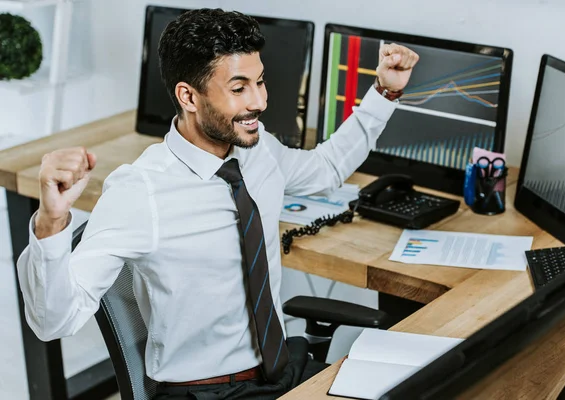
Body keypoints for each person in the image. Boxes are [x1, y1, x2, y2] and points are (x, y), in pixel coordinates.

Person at [16, 8, 419, 400]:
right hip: (205, 391)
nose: (259, 101)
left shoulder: (257, 150)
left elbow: (326, 168)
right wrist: (52, 222)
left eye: (260, 82)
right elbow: (55, 322)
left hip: (277, 371)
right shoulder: (141, 191)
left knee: (421, 382)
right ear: (188, 96)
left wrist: (385, 92)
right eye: (239, 88)